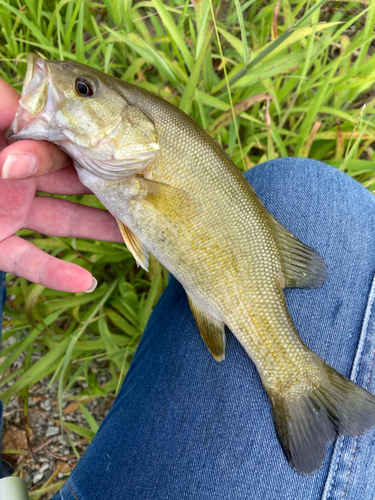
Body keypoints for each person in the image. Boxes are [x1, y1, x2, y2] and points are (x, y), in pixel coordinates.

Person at [1, 78, 375, 500]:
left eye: (83, 90)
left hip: (238, 271)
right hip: (222, 266)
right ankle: (297, 379)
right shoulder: (128, 174)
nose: (68, 89)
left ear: (138, 128)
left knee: (296, 186)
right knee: (302, 185)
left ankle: (294, 378)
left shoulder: (135, 174)